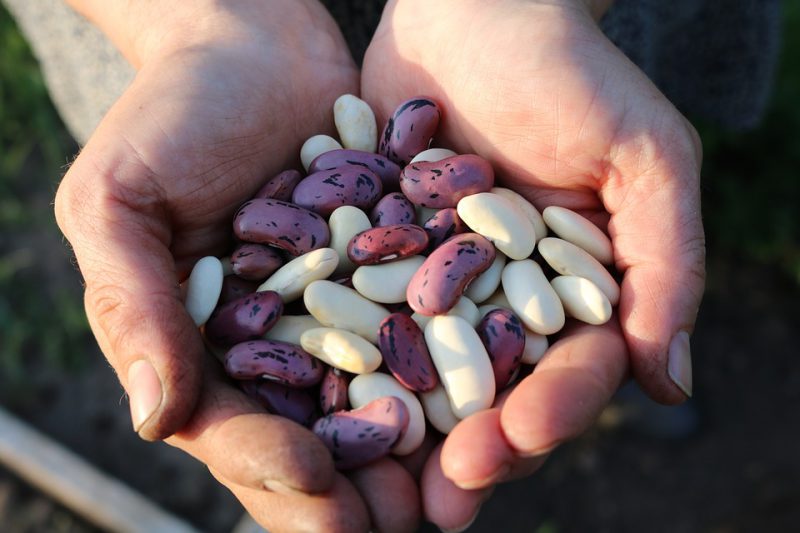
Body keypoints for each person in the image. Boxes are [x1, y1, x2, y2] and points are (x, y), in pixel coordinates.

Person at [3, 0, 779, 530]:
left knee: (615, 295)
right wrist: (199, 19)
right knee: (378, 446)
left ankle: (636, 378)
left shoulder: (420, 217)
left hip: (549, 47)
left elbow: (416, 273)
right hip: (192, 46)